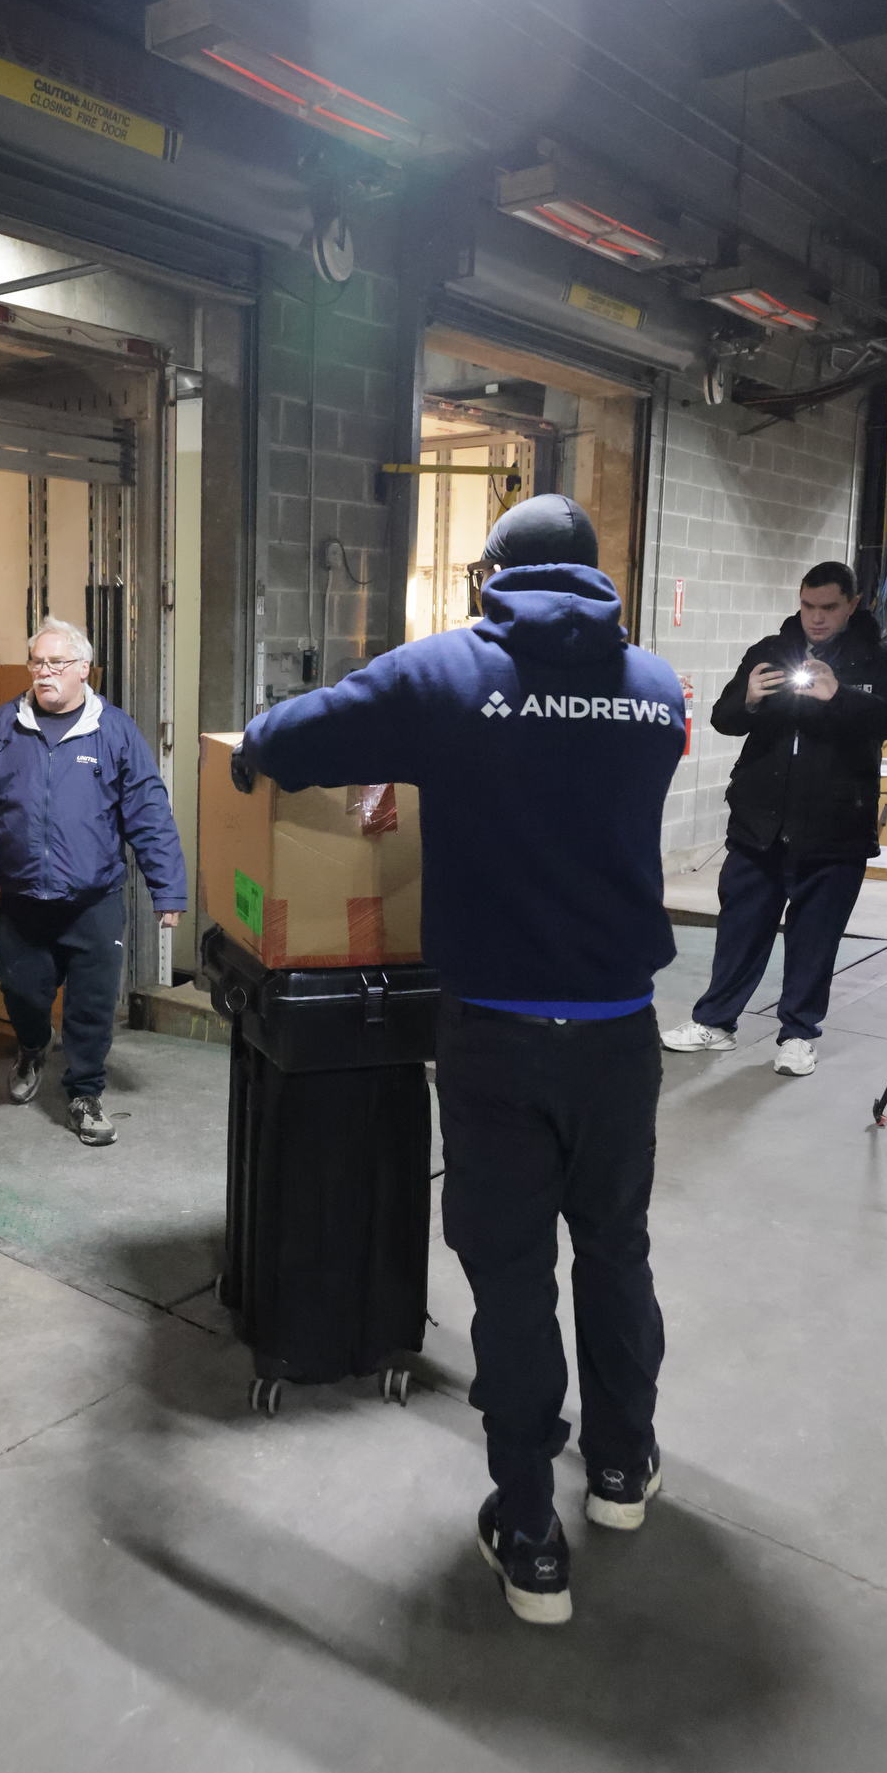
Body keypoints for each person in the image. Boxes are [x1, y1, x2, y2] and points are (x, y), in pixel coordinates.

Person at [236, 495, 685, 1626]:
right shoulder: (657, 687)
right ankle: (621, 1466)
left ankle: (528, 1530)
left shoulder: (447, 673)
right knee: (614, 1250)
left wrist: (253, 752)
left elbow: (290, 739)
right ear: (593, 575)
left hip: (495, 1032)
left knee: (512, 1276)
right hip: (619, 1030)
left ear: (492, 573)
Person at [0, 616, 187, 1146]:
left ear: (84, 669)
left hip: (94, 900)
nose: (44, 672)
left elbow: (149, 812)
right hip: (25, 898)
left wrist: (167, 888)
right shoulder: (2, 728)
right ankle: (34, 1045)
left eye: (57, 663)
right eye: (37, 662)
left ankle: (85, 1092)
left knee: (91, 1005)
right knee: (20, 988)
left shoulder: (114, 731)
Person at [663, 562, 887, 1077]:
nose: (816, 618)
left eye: (829, 607)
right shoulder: (769, 652)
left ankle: (798, 1034)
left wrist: (841, 697)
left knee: (815, 937)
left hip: (836, 827)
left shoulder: (882, 662)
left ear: (853, 604)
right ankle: (715, 1022)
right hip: (760, 824)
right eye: (808, 606)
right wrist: (748, 699)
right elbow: (723, 718)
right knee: (740, 929)